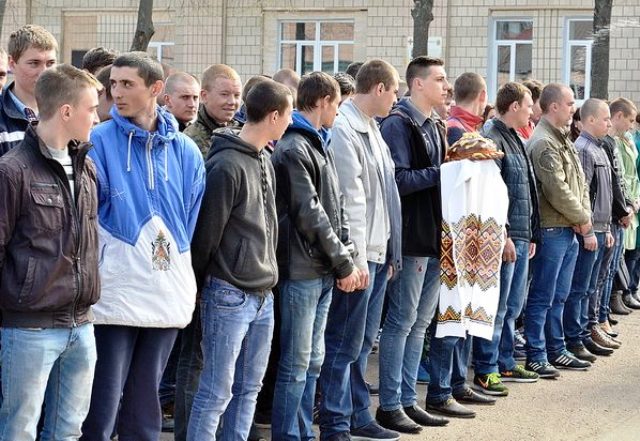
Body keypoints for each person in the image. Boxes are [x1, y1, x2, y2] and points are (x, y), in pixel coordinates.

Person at [80, 52, 205, 441]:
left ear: (155, 89)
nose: (117, 92)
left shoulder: (186, 151)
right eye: (113, 84)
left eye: (127, 84)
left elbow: (189, 221)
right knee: (100, 405)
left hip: (165, 293)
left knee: (144, 404)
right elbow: (86, 218)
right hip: (114, 293)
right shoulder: (96, 141)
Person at [187, 79, 293, 441]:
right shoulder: (226, 165)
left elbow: (270, 225)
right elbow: (206, 235)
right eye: (288, 114)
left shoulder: (265, 157)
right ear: (274, 116)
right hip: (228, 293)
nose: (290, 121)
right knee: (217, 391)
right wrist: (197, 288)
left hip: (263, 294)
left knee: (249, 389)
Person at [0, 63, 101, 441]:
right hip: (28, 328)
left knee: (69, 431)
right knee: (19, 430)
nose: (97, 118)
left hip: (82, 324)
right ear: (67, 111)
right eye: (92, 109)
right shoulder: (12, 171)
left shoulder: (87, 169)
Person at [270, 71, 361, 441]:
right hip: (301, 270)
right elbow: (310, 214)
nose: (338, 111)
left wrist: (345, 254)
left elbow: (335, 206)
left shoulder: (316, 141)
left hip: (319, 268)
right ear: (323, 101)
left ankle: (303, 432)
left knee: (311, 362)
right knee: (296, 365)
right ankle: (289, 435)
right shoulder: (295, 147)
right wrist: (344, 261)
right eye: (337, 104)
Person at [317, 59, 403, 441]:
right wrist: (355, 258)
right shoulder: (345, 129)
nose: (396, 98)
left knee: (362, 342)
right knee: (343, 344)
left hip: (377, 252)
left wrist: (389, 252)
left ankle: (356, 414)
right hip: (360, 254)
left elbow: (386, 195)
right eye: (395, 90)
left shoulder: (373, 128)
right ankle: (336, 423)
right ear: (379, 88)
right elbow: (349, 200)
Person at [377, 56, 455, 433]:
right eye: (439, 79)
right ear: (418, 84)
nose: (446, 85)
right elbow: (398, 180)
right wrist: (444, 172)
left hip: (435, 236)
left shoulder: (436, 123)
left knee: (421, 322)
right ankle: (390, 404)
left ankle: (408, 400)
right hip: (411, 238)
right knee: (402, 321)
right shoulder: (399, 123)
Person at [476, 82, 540, 393]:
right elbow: (491, 191)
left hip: (521, 235)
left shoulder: (514, 136)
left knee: (512, 307)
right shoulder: (492, 137)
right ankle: (486, 368)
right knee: (497, 307)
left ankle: (504, 361)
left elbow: (525, 189)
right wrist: (504, 234)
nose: (532, 111)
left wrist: (531, 233)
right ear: (514, 106)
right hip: (505, 237)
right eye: (528, 106)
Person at [524, 83, 592, 378]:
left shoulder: (561, 138)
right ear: (553, 106)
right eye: (570, 103)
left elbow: (580, 183)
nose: (573, 108)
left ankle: (556, 349)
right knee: (543, 296)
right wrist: (582, 218)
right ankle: (537, 354)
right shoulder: (543, 142)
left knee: (560, 295)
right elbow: (557, 190)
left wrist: (583, 216)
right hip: (552, 229)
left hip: (567, 227)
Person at [564, 98, 615, 364]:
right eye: (605, 119)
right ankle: (575, 337)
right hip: (588, 230)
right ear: (591, 119)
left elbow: (605, 193)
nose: (609, 124)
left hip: (600, 228)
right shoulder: (584, 149)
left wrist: (606, 227)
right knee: (580, 287)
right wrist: (587, 230)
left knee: (590, 286)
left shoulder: (599, 147)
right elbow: (582, 193)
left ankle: (584, 332)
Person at [0, 24, 57, 156]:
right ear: (12, 64)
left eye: (50, 63)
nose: (44, 72)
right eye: (34, 63)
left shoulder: (66, 112)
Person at [184, 64, 241, 156]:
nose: (232, 102)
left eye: (237, 95)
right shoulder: (189, 140)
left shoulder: (241, 133)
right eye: (224, 94)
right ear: (204, 96)